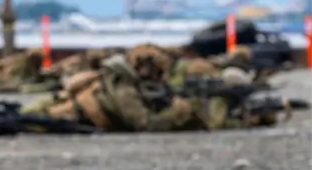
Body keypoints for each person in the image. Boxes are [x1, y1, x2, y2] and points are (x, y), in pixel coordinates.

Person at [23, 46, 194, 132]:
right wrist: (175, 115)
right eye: (157, 72)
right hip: (69, 117)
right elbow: (145, 123)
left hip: (67, 112)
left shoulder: (120, 82)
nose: (160, 78)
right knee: (25, 122)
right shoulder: (124, 88)